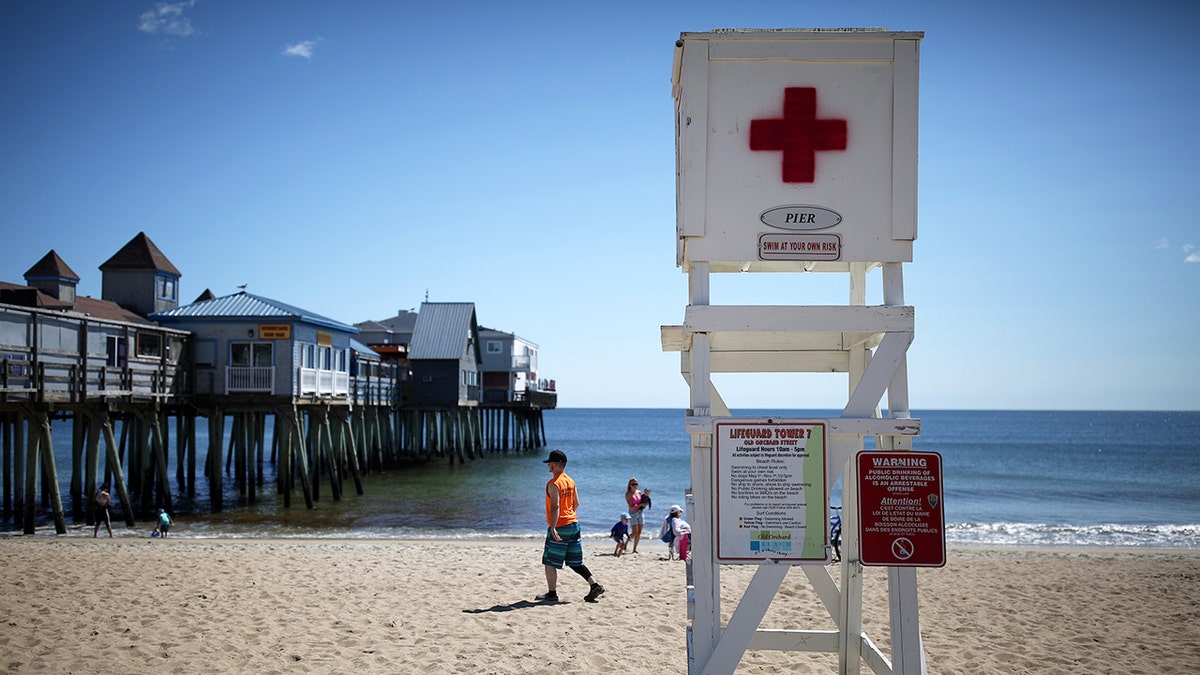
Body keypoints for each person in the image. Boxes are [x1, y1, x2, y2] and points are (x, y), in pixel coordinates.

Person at [537, 450, 605, 603]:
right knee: (575, 561)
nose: (548, 465)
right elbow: (576, 503)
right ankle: (594, 585)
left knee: (549, 561)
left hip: (560, 525)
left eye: (549, 463)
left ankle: (552, 594)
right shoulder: (570, 481)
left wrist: (553, 527)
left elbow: (555, 507)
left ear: (555, 465)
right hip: (574, 524)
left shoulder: (553, 484)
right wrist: (569, 516)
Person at [624, 477, 646, 554]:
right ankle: (626, 543)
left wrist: (644, 504)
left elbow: (643, 502)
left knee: (639, 532)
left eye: (636, 484)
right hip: (633, 513)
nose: (635, 485)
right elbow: (631, 506)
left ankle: (634, 549)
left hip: (640, 512)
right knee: (634, 532)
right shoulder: (628, 494)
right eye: (633, 484)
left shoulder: (639, 492)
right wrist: (639, 505)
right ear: (630, 485)